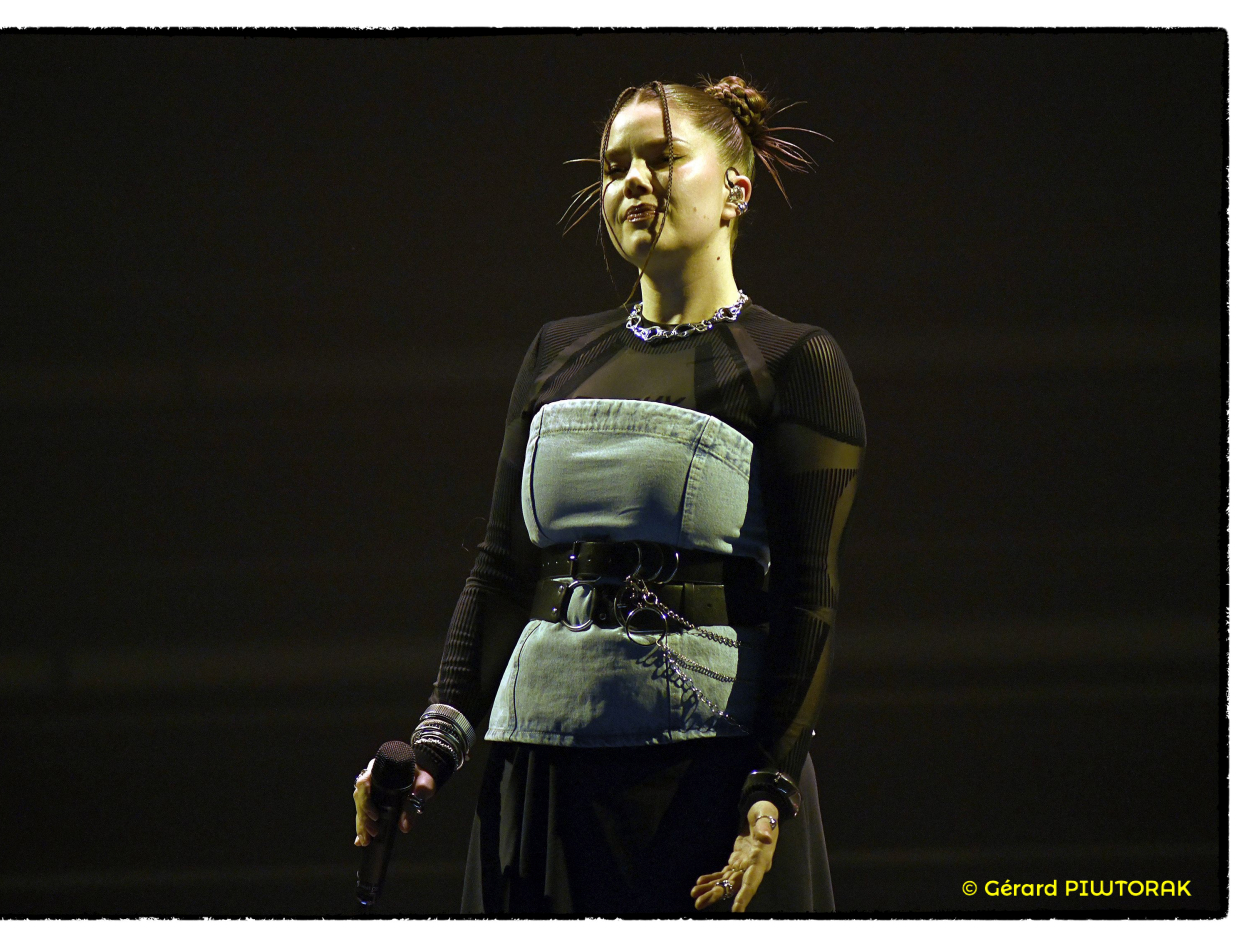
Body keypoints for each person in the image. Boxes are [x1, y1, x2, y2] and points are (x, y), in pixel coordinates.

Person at [353, 75, 865, 916]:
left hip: (706, 772)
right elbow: (502, 569)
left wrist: (770, 786)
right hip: (540, 777)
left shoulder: (792, 361)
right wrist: (433, 744)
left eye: (661, 157)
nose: (633, 181)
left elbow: (809, 598)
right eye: (613, 166)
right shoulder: (555, 353)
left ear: (735, 191)